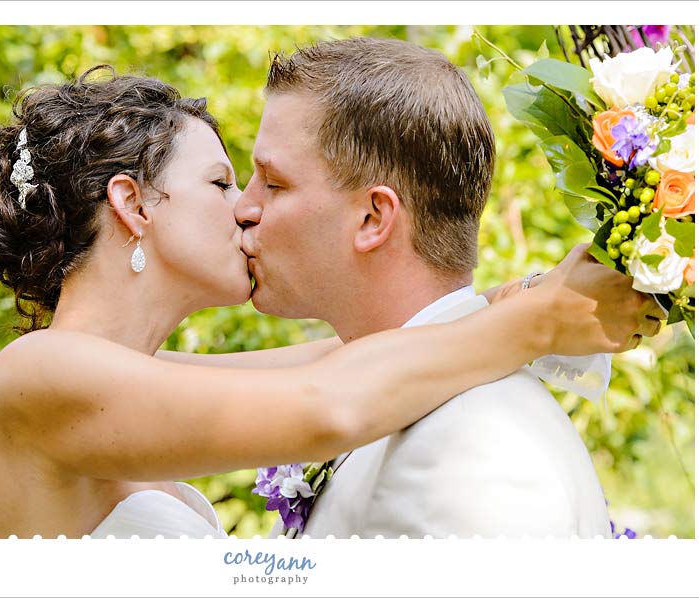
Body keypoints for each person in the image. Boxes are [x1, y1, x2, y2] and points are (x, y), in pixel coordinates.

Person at [0, 65, 660, 539]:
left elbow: (355, 356)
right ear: (132, 203)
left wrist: (524, 295)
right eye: (222, 183)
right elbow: (325, 402)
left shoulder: (131, 377)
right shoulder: (38, 375)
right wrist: (537, 322)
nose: (244, 211)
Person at [233, 38, 664, 539]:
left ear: (373, 217)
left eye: (273, 182)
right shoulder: (406, 393)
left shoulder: (474, 450)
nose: (243, 208)